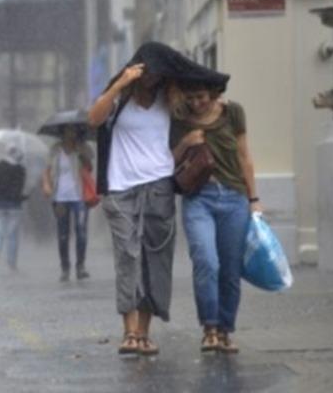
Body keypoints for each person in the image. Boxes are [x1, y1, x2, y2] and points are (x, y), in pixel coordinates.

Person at [89, 42, 230, 356]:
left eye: (157, 75)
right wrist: (120, 83)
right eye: (147, 75)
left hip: (160, 186)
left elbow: (208, 84)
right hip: (120, 187)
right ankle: (128, 331)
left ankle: (144, 332)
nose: (151, 81)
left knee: (156, 258)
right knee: (128, 256)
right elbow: (94, 119)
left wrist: (193, 136)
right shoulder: (121, 97)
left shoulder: (171, 99)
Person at [170, 79, 260, 354]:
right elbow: (167, 160)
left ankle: (225, 330)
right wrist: (186, 142)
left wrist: (253, 199)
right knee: (206, 260)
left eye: (201, 98)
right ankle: (209, 328)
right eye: (191, 98)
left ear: (213, 94)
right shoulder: (179, 117)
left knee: (231, 270)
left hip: (234, 198)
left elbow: (244, 156)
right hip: (199, 198)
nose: (196, 103)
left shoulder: (233, 113)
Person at [41, 124, 94, 282]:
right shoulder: (55, 149)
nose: (71, 133)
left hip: (79, 197)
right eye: (68, 130)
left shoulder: (83, 148)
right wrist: (47, 185)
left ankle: (80, 266)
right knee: (63, 235)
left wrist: (81, 154)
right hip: (60, 197)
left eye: (73, 130)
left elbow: (89, 168)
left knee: (81, 233)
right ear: (62, 133)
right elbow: (48, 170)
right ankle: (65, 268)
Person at [0, 145, 27, 273]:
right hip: (14, 205)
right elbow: (21, 187)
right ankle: (12, 263)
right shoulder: (21, 169)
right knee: (12, 236)